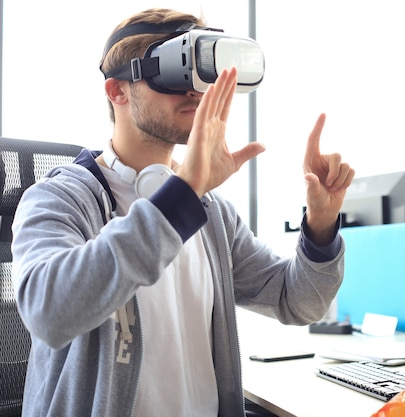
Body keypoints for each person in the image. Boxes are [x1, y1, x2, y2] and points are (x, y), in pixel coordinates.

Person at [11, 8, 354, 417]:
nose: (195, 91)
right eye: (175, 74)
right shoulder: (58, 198)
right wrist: (182, 195)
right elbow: (49, 312)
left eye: (202, 75)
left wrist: (321, 225)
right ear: (117, 91)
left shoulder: (211, 212)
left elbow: (298, 302)